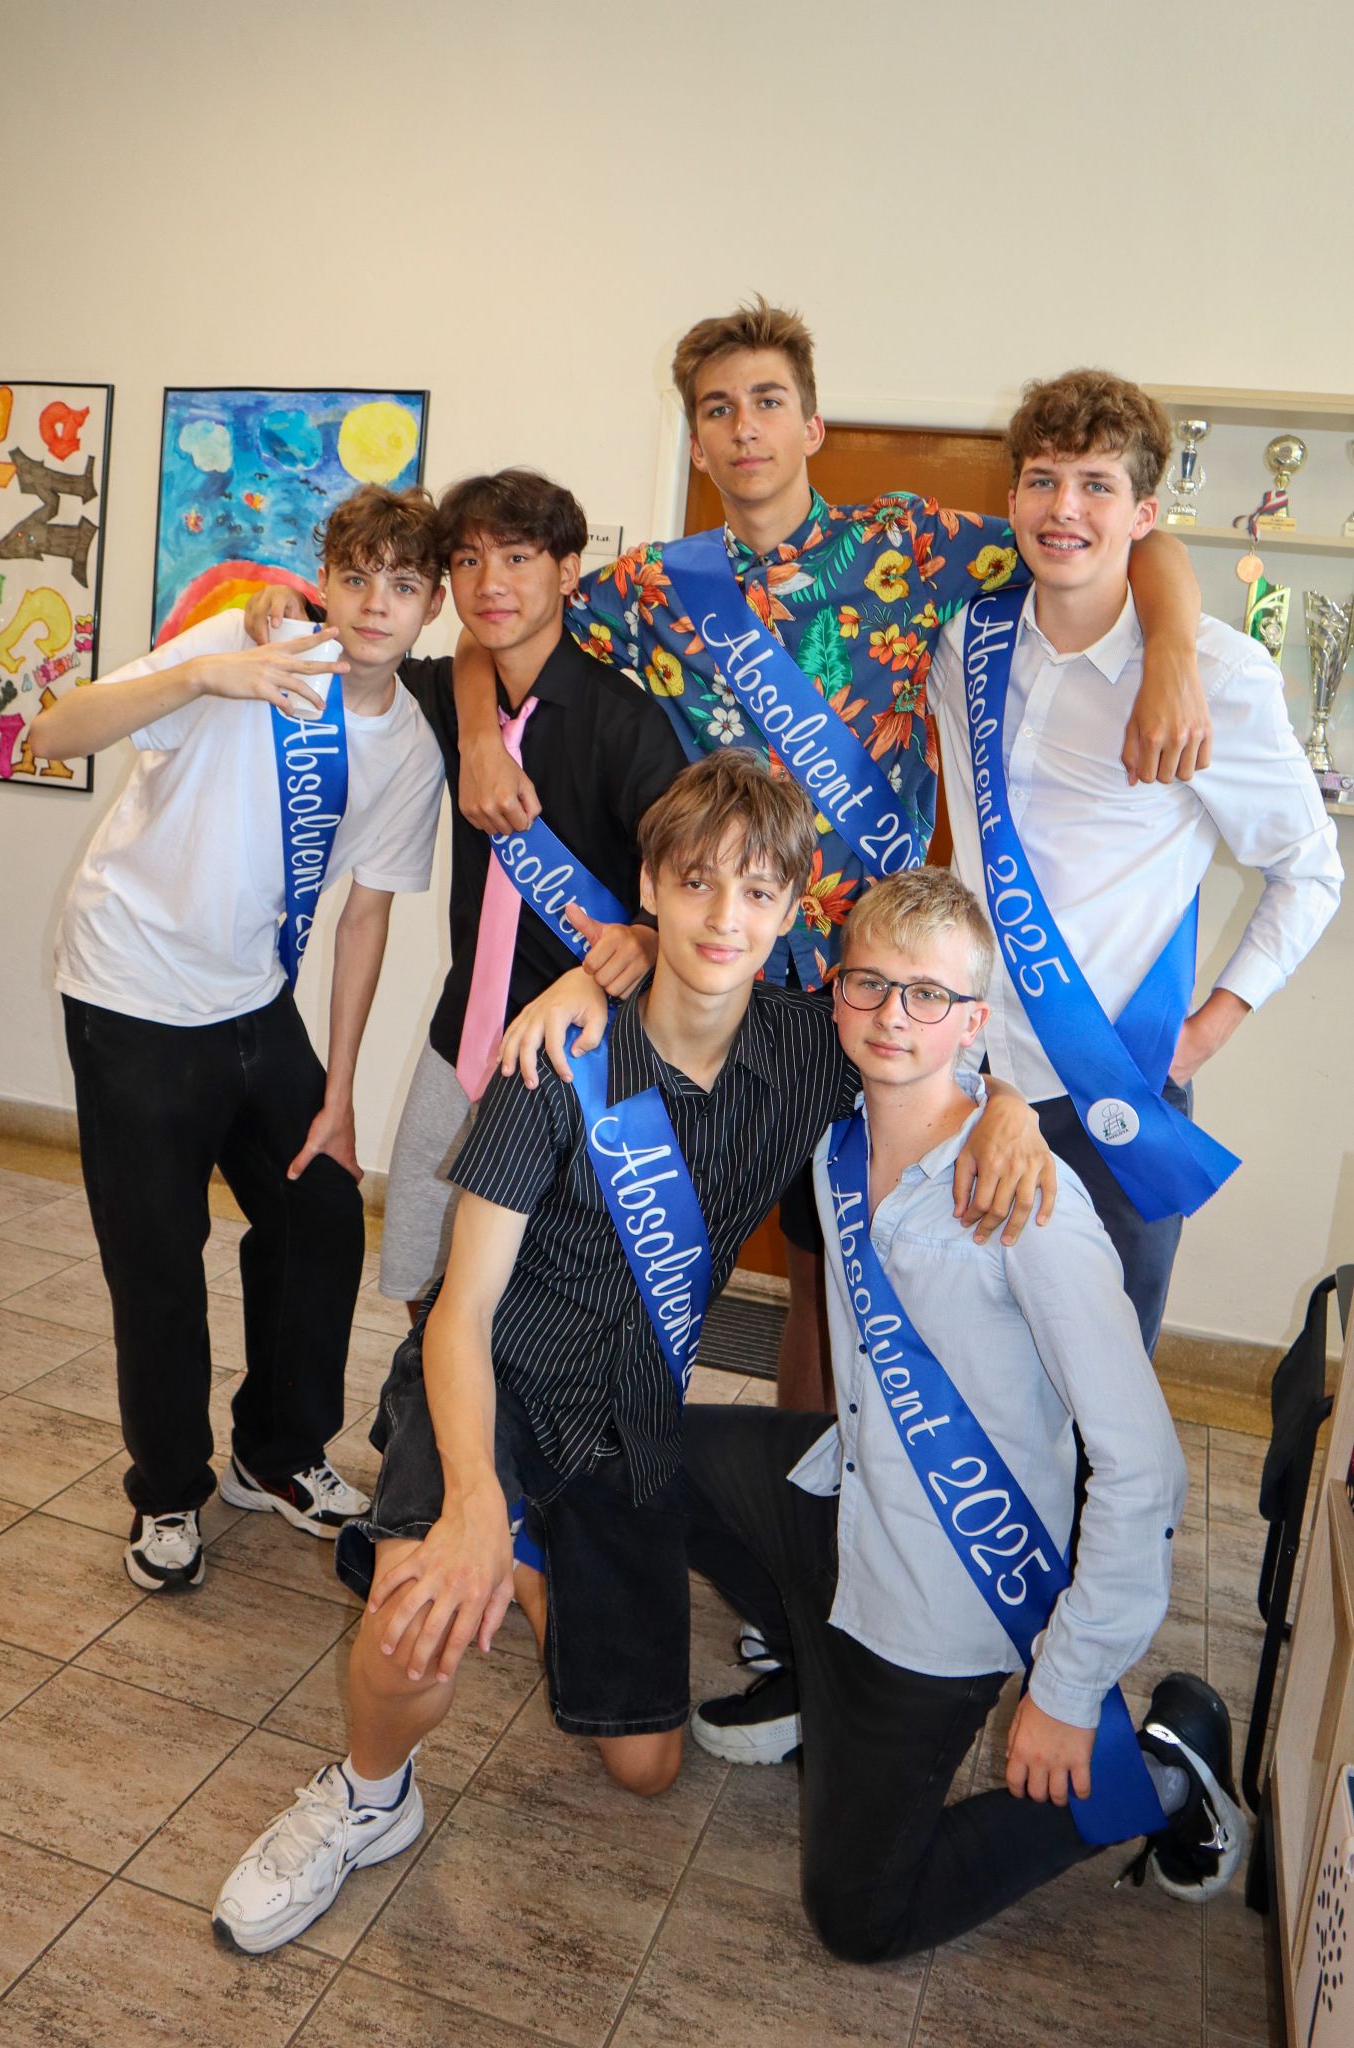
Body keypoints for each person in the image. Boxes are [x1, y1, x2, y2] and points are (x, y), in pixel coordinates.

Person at [210, 754, 1054, 1956]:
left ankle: (530, 1558)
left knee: (646, 1764)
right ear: (649, 883)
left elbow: (930, 1039)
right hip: (497, 1384)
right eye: (696, 881)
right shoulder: (559, 1051)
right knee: (418, 1616)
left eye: (756, 891)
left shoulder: (810, 1052)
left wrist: (1008, 1103)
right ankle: (366, 1792)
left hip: (633, 1417)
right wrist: (470, 1497)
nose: (724, 915)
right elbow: (460, 1310)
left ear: (790, 909)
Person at [445, 299, 1211, 1409]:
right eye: (718, 410)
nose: (744, 427)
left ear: (811, 424)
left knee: (874, 1252)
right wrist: (477, 731)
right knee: (717, 1237)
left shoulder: (907, 543)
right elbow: (500, 624)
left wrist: (1174, 650)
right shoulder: (651, 588)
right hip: (733, 974)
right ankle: (735, 1474)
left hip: (878, 981)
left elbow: (1124, 538)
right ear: (696, 442)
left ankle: (867, 1488)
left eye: (767, 401)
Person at [683, 869, 1247, 1961]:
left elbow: (1145, 1471)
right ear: (836, 992)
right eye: (870, 984)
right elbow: (708, 1005)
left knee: (858, 1919)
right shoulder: (840, 1134)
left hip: (946, 1590)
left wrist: (1068, 1691)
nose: (894, 1016)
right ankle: (806, 1668)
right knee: (645, 1456)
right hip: (846, 1495)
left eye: (929, 995)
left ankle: (1160, 1774)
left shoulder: (1025, 1202)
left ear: (975, 1021)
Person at [34, 485, 448, 1593]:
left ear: (432, 606)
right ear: (327, 579)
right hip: (128, 991)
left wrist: (340, 1091)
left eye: (404, 584)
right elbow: (52, 730)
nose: (376, 603)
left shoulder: (410, 747)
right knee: (158, 1258)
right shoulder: (246, 643)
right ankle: (169, 1487)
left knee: (320, 1214)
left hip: (253, 1002)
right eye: (356, 576)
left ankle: (275, 1452)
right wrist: (203, 674)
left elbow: (365, 917)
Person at [926, 369, 1342, 1351]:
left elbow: (1310, 870)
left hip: (1110, 1085)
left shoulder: (1218, 675)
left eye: (1096, 485)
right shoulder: (964, 643)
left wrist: (1206, 1030)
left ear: (1144, 514)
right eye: (1041, 480)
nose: (1063, 508)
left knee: (1097, 1386)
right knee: (959, 1368)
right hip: (963, 1071)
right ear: (1013, 497)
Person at [372, 470, 688, 1321]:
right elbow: (353, 644)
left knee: (533, 1283)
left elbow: (691, 865)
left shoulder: (624, 721)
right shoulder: (446, 698)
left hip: (577, 1041)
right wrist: (275, 609)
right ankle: (425, 1400)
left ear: (568, 571)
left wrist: (650, 936)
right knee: (422, 1252)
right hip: (464, 1028)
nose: (491, 583)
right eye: (468, 561)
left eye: (517, 557)